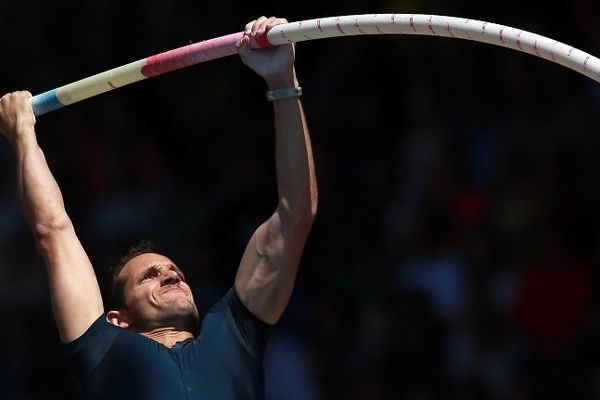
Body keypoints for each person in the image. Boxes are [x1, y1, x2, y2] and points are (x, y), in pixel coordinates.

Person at [0, 16, 317, 399]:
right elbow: (54, 230)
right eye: (149, 276)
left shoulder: (233, 333)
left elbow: (295, 212)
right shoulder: (102, 349)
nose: (171, 275)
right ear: (117, 319)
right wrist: (22, 134)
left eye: (173, 271)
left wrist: (283, 82)